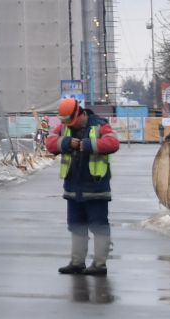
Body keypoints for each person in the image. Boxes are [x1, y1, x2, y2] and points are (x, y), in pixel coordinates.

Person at [44, 96, 120, 276]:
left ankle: (99, 265)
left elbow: (113, 143)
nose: (68, 125)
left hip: (96, 187)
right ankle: (77, 262)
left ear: (79, 113)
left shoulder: (100, 125)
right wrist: (66, 143)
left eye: (70, 121)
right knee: (76, 225)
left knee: (99, 225)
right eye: (65, 122)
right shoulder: (64, 127)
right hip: (73, 187)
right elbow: (50, 143)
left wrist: (88, 145)